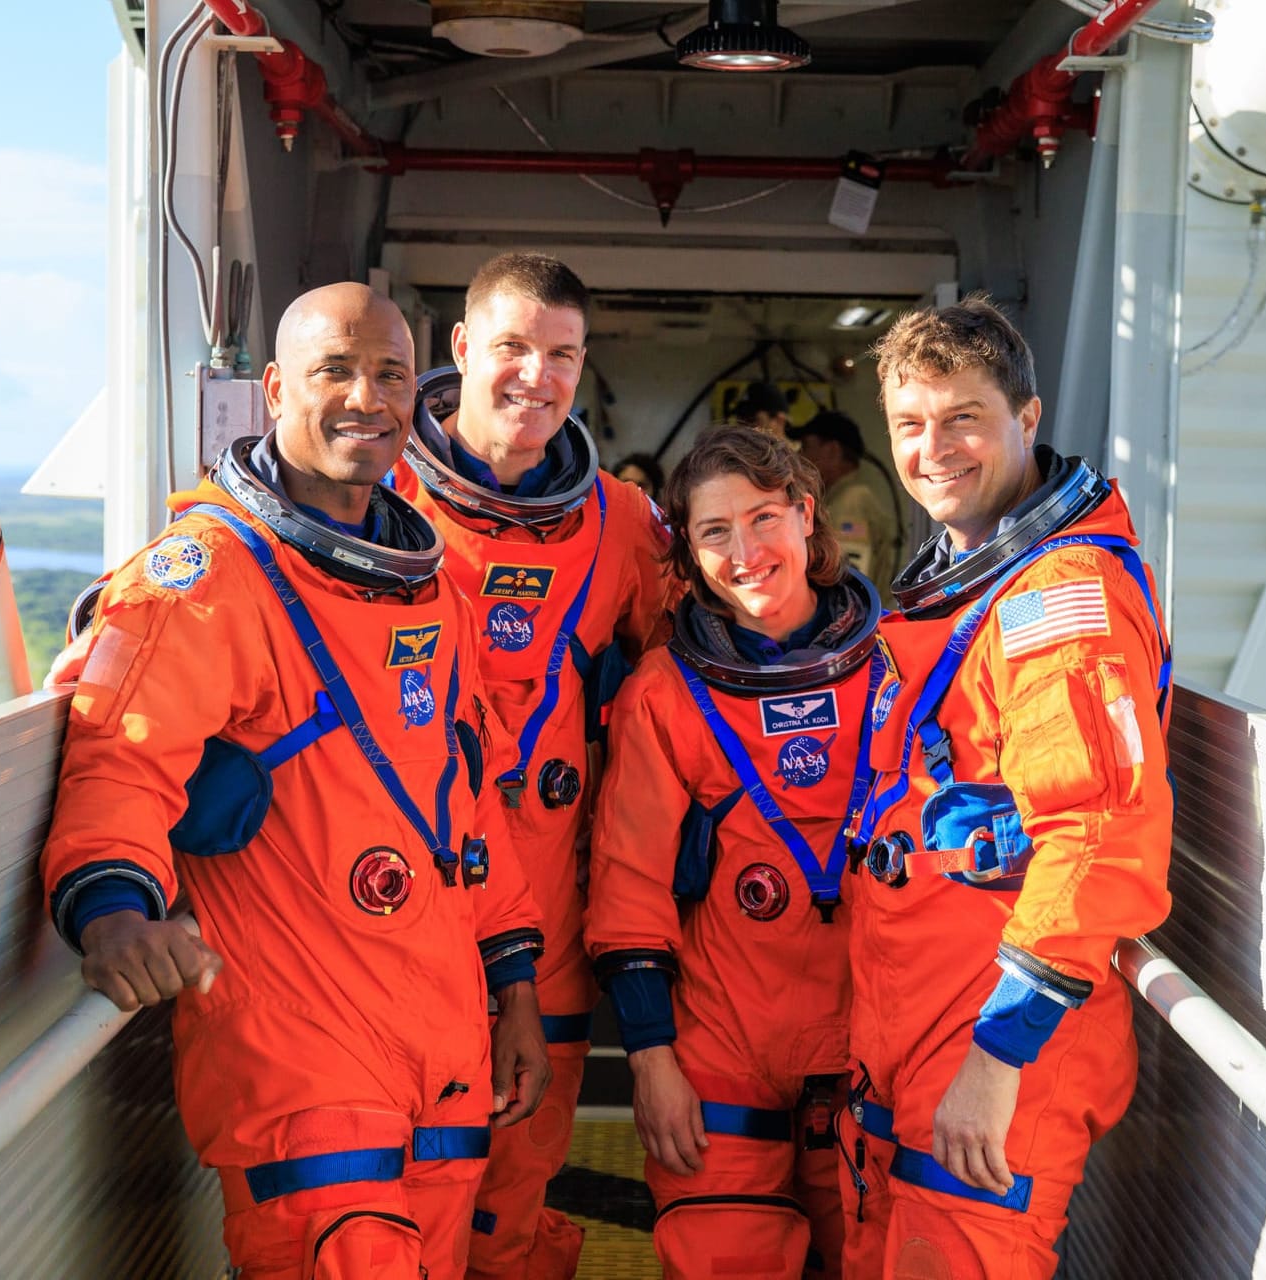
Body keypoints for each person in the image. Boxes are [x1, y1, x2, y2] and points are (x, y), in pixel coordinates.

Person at [40, 283, 551, 1280]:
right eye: (335, 369)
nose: (367, 395)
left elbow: (465, 800)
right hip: (301, 1055)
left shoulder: (430, 579)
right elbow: (122, 760)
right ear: (275, 387)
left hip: (445, 1044)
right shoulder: (206, 577)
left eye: (390, 373)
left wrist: (514, 985)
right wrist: (111, 912)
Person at [844, 295, 1173, 1277]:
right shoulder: (975, 580)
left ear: (1026, 420)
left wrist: (998, 1054)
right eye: (909, 423)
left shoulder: (1055, 597)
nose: (930, 448)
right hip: (920, 1016)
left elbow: (1098, 830)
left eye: (962, 418)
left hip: (991, 1037)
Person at [389, 253, 674, 1280]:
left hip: (546, 922)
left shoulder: (622, 527)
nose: (534, 376)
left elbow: (691, 693)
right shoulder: (370, 502)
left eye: (560, 355)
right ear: (461, 348)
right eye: (511, 346)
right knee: (394, 1204)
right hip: (393, 919)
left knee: (509, 1203)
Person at [587, 428, 883, 1279]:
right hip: (724, 1046)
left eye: (763, 518)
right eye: (714, 532)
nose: (746, 551)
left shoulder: (898, 667)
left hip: (872, 1042)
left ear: (806, 514)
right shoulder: (665, 695)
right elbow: (630, 887)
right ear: (687, 549)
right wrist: (650, 1058)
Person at [787, 409, 902, 598]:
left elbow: (850, 580)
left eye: (806, 446)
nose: (800, 455)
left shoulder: (852, 502)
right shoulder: (838, 499)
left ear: (832, 450)